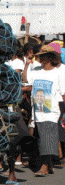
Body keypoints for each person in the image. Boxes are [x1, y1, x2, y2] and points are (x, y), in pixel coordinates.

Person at [25, 44, 65, 176]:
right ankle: (49, 164)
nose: (40, 59)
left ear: (49, 57)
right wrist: (26, 65)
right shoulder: (36, 71)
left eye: (42, 56)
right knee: (42, 137)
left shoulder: (58, 72)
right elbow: (26, 81)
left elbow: (63, 93)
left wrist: (63, 113)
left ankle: (44, 167)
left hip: (52, 110)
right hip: (38, 110)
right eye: (39, 57)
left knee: (46, 137)